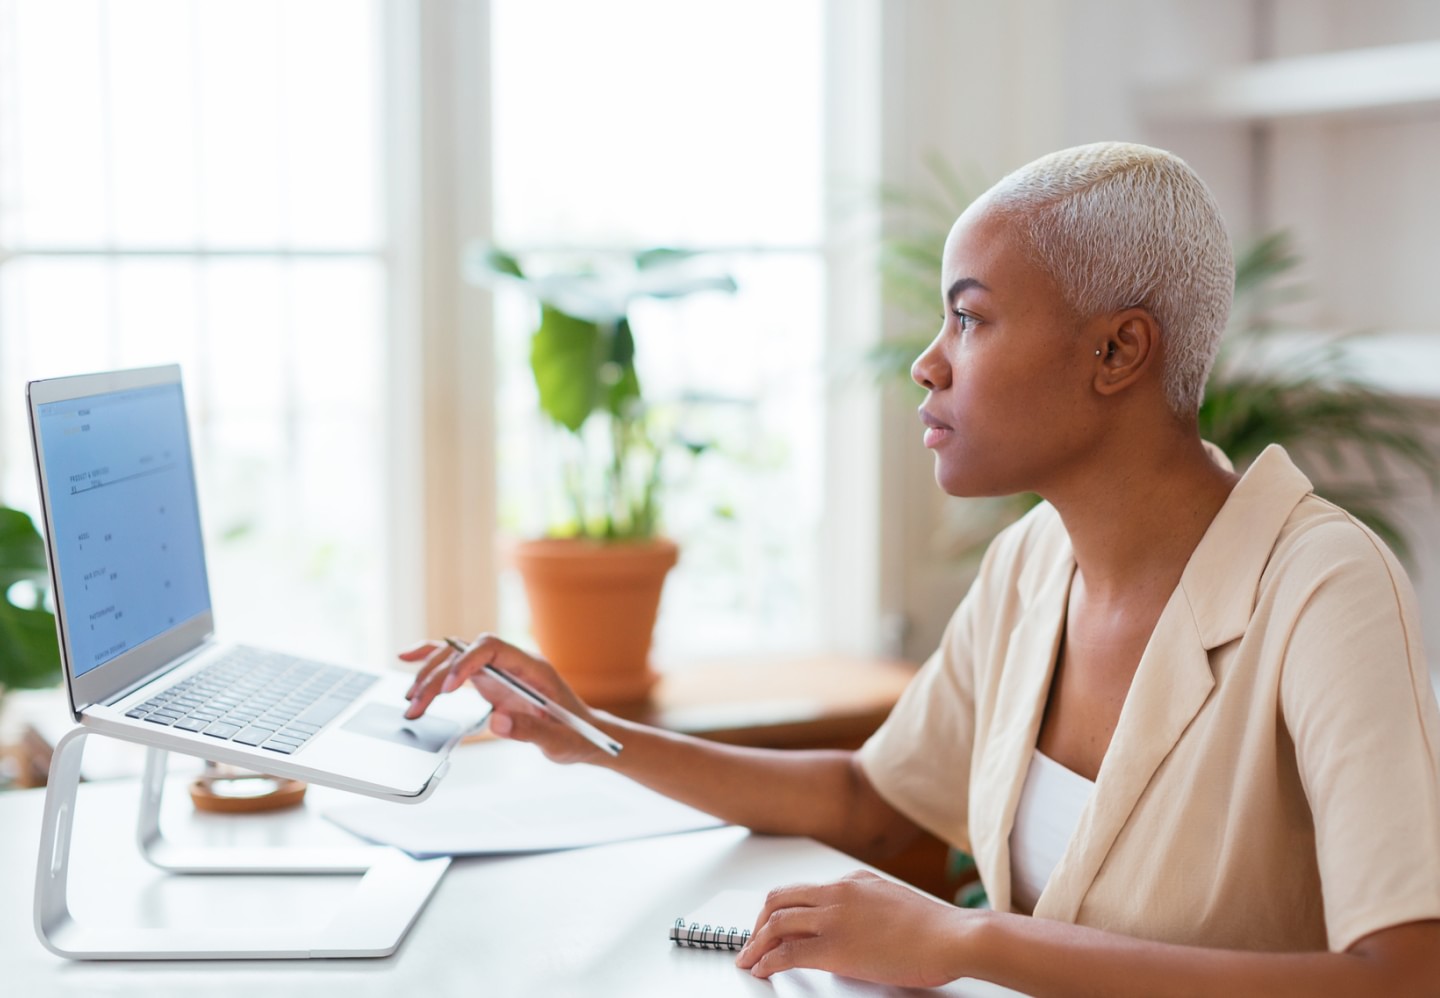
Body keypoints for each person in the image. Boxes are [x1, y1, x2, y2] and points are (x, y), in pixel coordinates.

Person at [402, 142, 1440, 994]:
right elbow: (872, 797)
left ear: (1118, 353)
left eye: (972, 317)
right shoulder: (1032, 563)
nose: (928, 359)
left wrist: (967, 940)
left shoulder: (1323, 587)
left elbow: (1403, 974)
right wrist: (589, 733)